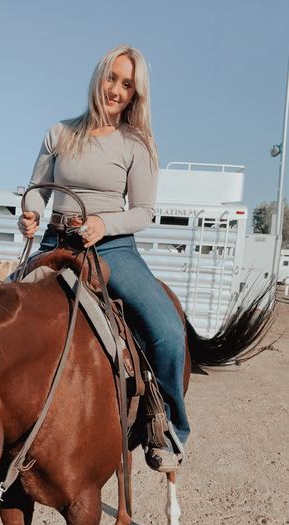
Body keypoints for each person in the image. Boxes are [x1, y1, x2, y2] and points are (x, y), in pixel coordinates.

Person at [17, 44, 190, 472]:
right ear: (99, 77)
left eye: (127, 84)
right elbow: (39, 185)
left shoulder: (138, 143)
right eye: (112, 78)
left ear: (135, 95)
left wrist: (103, 225)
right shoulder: (60, 132)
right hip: (55, 242)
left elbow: (144, 211)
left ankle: (168, 426)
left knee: (168, 328)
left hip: (110, 248)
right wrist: (32, 212)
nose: (116, 90)